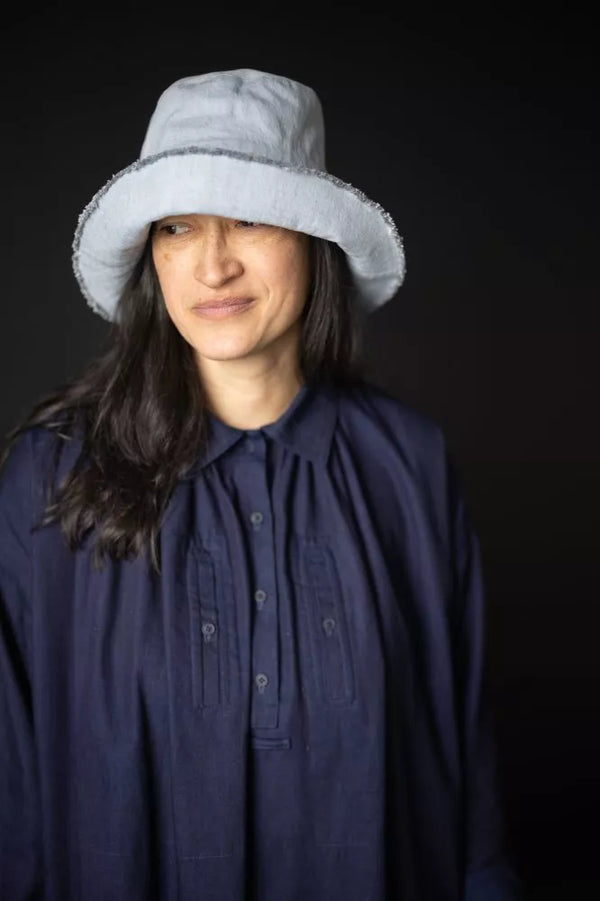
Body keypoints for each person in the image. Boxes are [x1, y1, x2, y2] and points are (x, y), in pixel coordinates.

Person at [0, 69, 522, 900]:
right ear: (152, 256)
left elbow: (465, 755)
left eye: (248, 217)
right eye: (177, 227)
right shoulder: (53, 474)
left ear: (312, 240)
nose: (212, 264)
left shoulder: (410, 465)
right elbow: (13, 779)